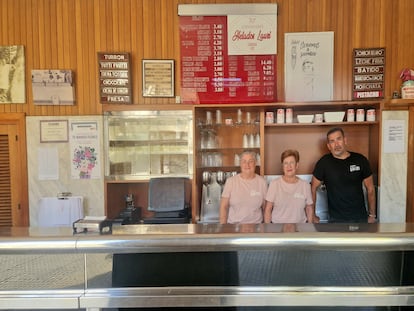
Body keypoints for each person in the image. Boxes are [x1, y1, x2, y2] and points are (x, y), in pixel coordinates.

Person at [311, 127, 376, 223]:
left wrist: (372, 215)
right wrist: (312, 214)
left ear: (345, 140)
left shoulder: (360, 160)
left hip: (359, 217)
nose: (336, 144)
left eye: (339, 139)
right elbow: (313, 188)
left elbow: (370, 189)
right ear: (329, 146)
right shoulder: (324, 163)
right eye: (332, 141)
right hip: (335, 220)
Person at [264, 149, 314, 223]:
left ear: (297, 165)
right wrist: (268, 230)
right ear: (282, 166)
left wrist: (310, 227)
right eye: (286, 163)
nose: (289, 166)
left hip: (299, 230)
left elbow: (309, 208)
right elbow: (268, 209)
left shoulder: (305, 185)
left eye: (291, 163)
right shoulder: (274, 184)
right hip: (278, 230)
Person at [219, 150, 267, 224]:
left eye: (250, 161)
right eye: (244, 161)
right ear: (240, 164)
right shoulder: (231, 181)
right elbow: (223, 207)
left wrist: (265, 228)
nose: (247, 165)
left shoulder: (262, 182)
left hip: (256, 228)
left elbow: (265, 208)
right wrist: (223, 228)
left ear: (255, 163)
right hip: (234, 227)